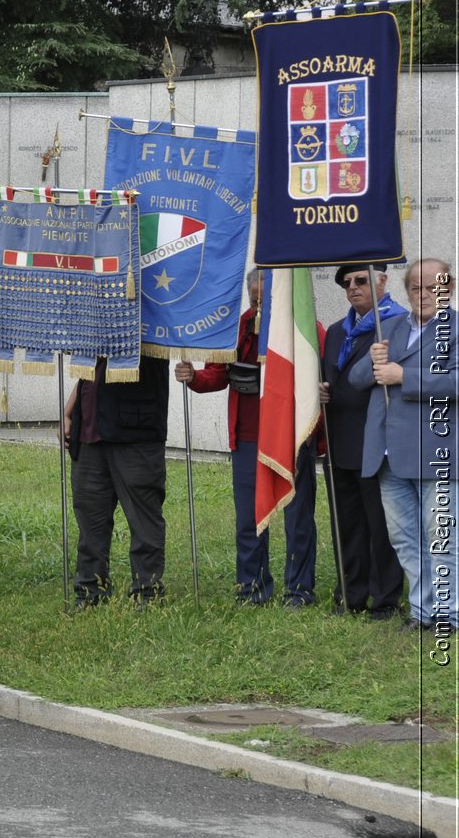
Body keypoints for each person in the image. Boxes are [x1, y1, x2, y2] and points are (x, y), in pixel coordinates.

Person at [177, 268, 321, 606]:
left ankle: (299, 590)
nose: (259, 305)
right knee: (249, 518)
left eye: (265, 299)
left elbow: (319, 369)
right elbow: (215, 376)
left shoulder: (302, 326)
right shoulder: (234, 327)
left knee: (297, 516)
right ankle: (252, 587)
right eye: (255, 298)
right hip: (247, 437)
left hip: (291, 435)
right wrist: (193, 377)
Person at [352, 258, 456, 633]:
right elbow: (359, 379)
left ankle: (448, 614)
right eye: (416, 287)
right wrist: (373, 359)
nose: (424, 294)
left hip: (434, 451)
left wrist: (404, 375)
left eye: (433, 287)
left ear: (449, 288)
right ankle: (422, 611)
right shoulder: (391, 326)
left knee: (440, 539)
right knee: (405, 538)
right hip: (387, 454)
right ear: (407, 290)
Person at [322, 263, 404, 619]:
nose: (352, 287)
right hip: (340, 439)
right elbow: (333, 375)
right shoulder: (340, 331)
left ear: (382, 281)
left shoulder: (398, 324)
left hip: (378, 440)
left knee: (381, 524)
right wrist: (324, 389)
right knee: (348, 523)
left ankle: (384, 599)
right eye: (346, 283)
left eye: (360, 280)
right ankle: (350, 594)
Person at [63, 356, 171, 606]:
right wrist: (69, 411)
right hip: (90, 433)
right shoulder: (92, 321)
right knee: (90, 520)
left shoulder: (153, 317)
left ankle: (147, 593)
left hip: (136, 431)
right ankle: (90, 592)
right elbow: (90, 368)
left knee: (144, 519)